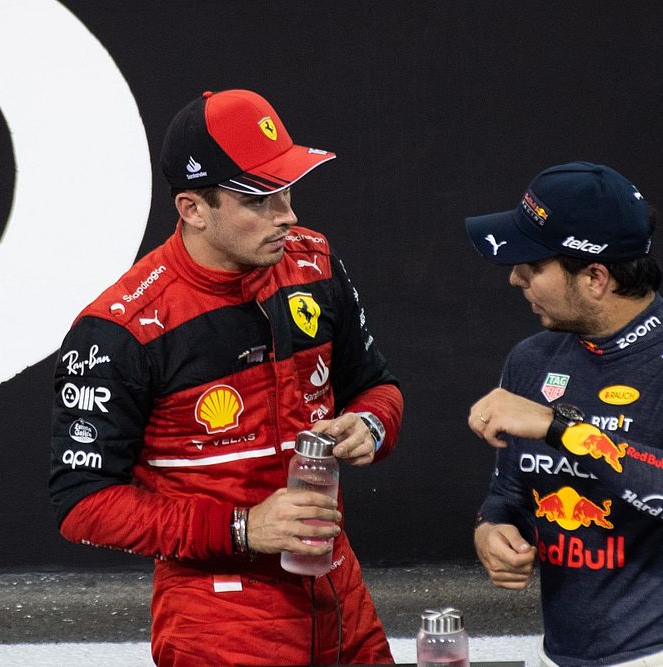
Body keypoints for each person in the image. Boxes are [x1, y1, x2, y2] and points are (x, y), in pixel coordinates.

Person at [49, 89, 402, 666]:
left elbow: (377, 387)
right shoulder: (124, 328)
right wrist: (242, 528)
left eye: (286, 190)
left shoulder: (314, 264)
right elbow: (81, 505)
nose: (286, 215)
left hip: (340, 596)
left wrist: (371, 424)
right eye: (259, 199)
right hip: (218, 621)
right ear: (192, 208)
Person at [465, 162, 663, 666]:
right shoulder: (531, 359)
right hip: (554, 654)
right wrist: (490, 530)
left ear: (596, 277)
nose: (515, 278)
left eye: (532, 266)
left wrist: (559, 428)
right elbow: (507, 494)